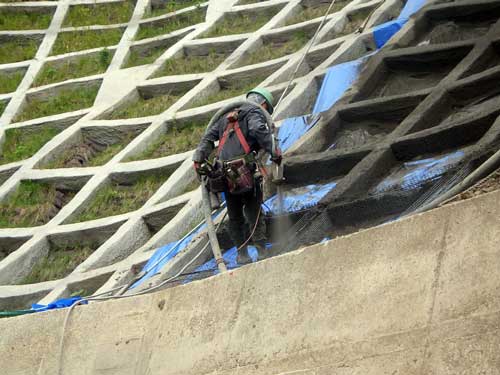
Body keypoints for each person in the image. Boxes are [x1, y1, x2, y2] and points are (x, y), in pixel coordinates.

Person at [193, 88, 282, 264]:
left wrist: (198, 159)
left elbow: (207, 140)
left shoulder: (224, 117)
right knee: (254, 212)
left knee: (234, 216)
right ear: (264, 104)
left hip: (225, 175)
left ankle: (242, 255)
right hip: (246, 172)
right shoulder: (254, 112)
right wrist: (274, 151)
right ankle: (262, 251)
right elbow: (258, 129)